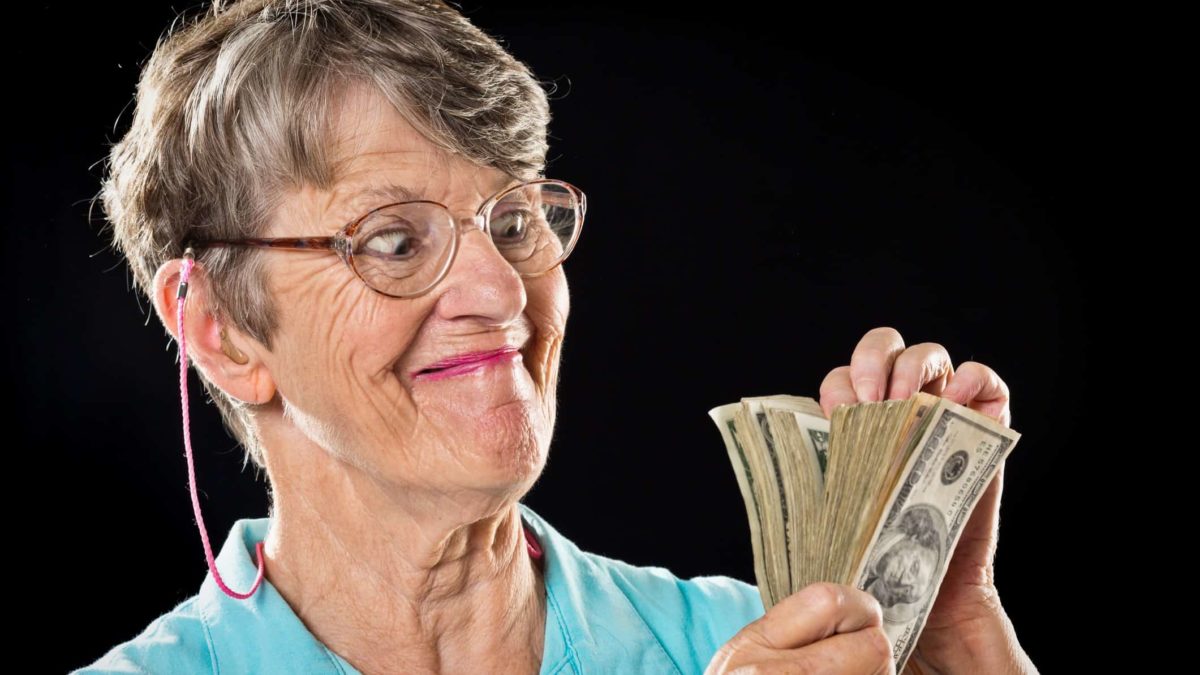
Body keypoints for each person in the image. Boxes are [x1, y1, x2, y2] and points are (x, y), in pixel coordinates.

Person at [74, 1, 1038, 673]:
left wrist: (958, 638)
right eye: (396, 240)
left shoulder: (773, 641)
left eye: (513, 223)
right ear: (221, 327)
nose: (502, 289)